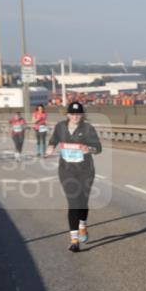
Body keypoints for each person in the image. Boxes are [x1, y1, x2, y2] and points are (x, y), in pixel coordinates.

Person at [45, 101, 103, 252]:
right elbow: (53, 140)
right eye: (73, 114)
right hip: (67, 170)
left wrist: (88, 148)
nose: (75, 117)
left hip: (86, 170)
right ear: (68, 114)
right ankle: (74, 240)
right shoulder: (60, 127)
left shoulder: (88, 128)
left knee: (83, 202)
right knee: (73, 202)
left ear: (82, 115)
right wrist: (50, 148)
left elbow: (98, 148)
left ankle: (83, 224)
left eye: (78, 114)